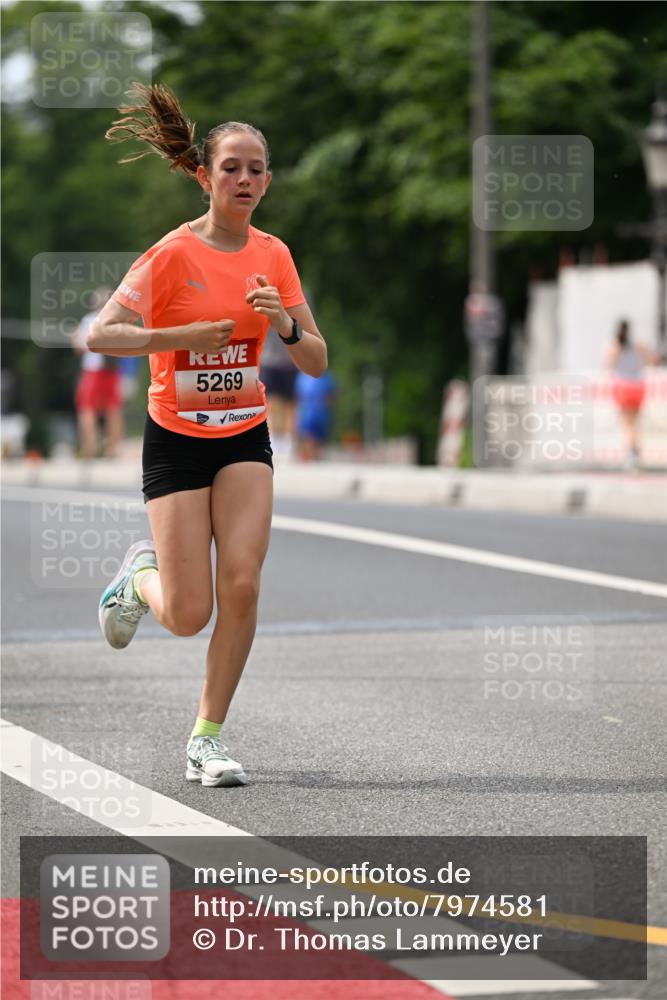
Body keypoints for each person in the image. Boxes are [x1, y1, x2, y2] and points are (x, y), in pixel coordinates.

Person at [87, 83, 327, 787]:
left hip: (244, 435)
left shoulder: (274, 256)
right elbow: (102, 334)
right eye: (232, 167)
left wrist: (281, 322)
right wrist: (179, 335)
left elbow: (316, 358)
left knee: (244, 583)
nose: (245, 179)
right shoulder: (171, 254)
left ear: (268, 180)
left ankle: (206, 738)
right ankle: (139, 576)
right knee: (188, 615)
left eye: (256, 169)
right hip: (175, 438)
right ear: (204, 174)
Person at [71, 286, 124, 458]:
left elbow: (81, 346)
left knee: (87, 408)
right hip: (112, 369)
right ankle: (112, 449)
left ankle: (90, 447)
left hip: (93, 370)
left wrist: (73, 338)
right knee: (113, 409)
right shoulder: (117, 320)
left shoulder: (90, 320)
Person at [606, 319, 658, 470]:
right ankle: (636, 452)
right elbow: (653, 360)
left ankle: (632, 454)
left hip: (623, 387)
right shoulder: (639, 346)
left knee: (627, 424)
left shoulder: (615, 347)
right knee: (635, 423)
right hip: (638, 387)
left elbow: (609, 366)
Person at [259, 325, 298, 459]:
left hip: (289, 361)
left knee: (289, 404)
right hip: (270, 360)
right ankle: (274, 441)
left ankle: (288, 443)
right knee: (272, 403)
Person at [295, 368, 336, 461]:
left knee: (317, 434)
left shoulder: (325, 376)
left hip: (318, 412)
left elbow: (331, 395)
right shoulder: (302, 377)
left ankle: (315, 453)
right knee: (308, 434)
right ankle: (309, 454)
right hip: (308, 412)